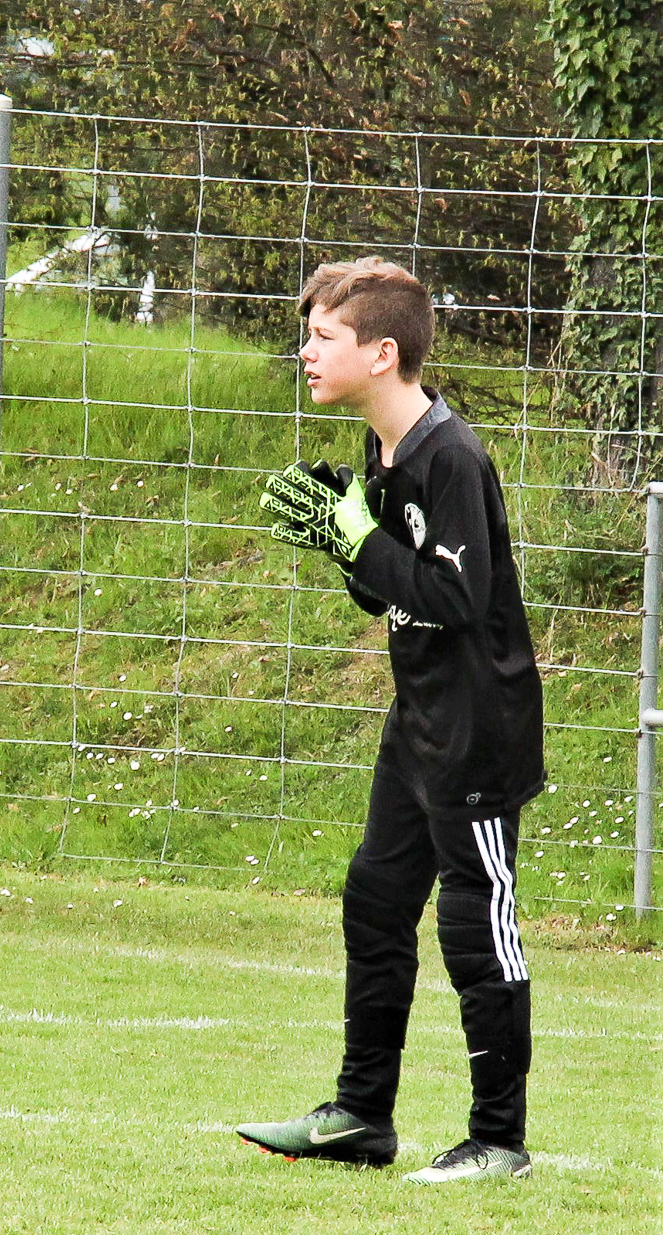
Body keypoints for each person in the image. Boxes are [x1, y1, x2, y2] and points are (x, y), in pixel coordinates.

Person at [236, 257, 545, 1183]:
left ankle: (499, 1140)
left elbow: (456, 598)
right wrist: (346, 544)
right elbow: (388, 595)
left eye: (323, 338)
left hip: (477, 731)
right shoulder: (385, 449)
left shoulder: (451, 457)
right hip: (418, 722)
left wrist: (360, 539)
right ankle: (362, 1117)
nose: (306, 353)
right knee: (375, 901)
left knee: (473, 927)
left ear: (381, 353)